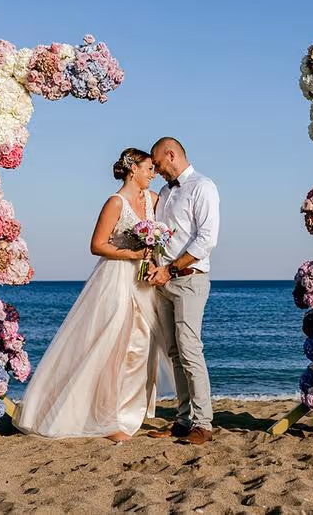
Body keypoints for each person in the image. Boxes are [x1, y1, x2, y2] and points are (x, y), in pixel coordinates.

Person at [14, 148, 171, 442]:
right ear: (132, 169)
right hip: (116, 278)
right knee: (112, 346)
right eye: (149, 168)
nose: (153, 174)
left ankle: (129, 411)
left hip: (144, 281)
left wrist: (152, 257)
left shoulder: (153, 201)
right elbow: (97, 245)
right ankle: (106, 418)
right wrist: (131, 252)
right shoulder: (115, 202)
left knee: (141, 347)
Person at [145, 137, 220, 445]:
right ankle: (183, 419)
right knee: (175, 352)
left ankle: (204, 423)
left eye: (158, 164)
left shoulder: (203, 187)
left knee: (190, 350)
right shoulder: (165, 191)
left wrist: (171, 269)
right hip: (162, 282)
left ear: (171, 155)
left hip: (188, 279)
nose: (157, 170)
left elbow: (206, 240)